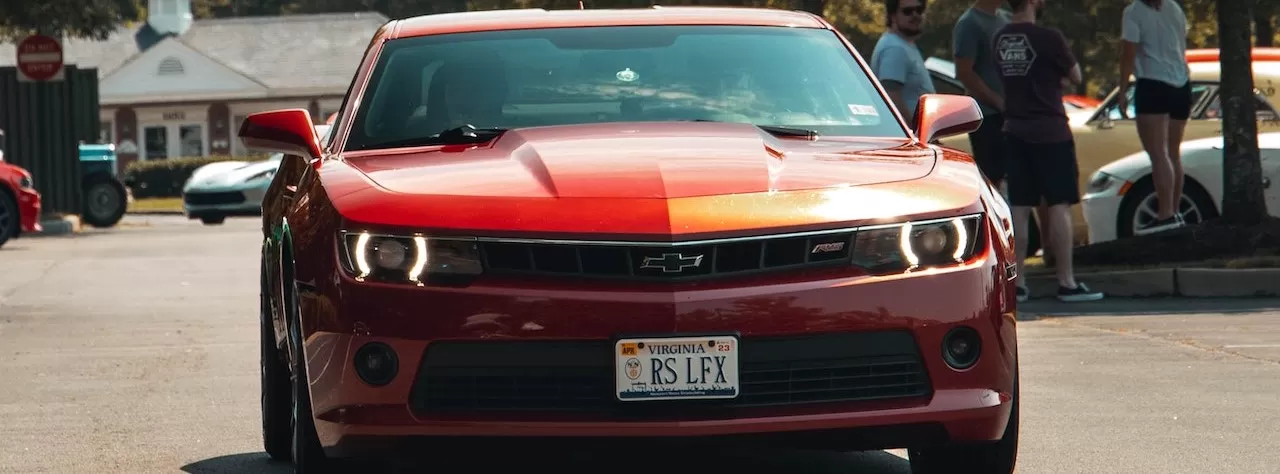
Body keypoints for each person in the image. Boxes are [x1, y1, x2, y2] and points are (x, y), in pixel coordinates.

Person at [994, 0, 1105, 302]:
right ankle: (1066, 281)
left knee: (1019, 207)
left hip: (1015, 130)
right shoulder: (1050, 37)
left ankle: (1018, 283)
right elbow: (1077, 76)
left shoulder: (1000, 39)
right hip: (1051, 131)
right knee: (1058, 205)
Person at [952, 0, 1058, 267]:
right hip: (988, 117)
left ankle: (1050, 249)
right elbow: (965, 73)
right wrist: (999, 102)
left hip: (1018, 115)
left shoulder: (1004, 19)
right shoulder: (969, 23)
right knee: (994, 186)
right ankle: (997, 256)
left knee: (1035, 180)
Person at [1119, 0, 1191, 235]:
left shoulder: (1133, 12)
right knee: (1173, 153)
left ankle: (1165, 214)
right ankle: (1175, 210)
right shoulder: (1174, 8)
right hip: (1180, 84)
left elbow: (1128, 52)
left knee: (1158, 155)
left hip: (1152, 83)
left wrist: (1122, 89)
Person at [870, 0, 935, 126]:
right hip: (910, 137)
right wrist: (915, 132)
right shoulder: (894, 48)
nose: (915, 15)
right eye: (907, 11)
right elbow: (892, 96)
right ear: (893, 16)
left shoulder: (904, 44)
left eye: (919, 10)